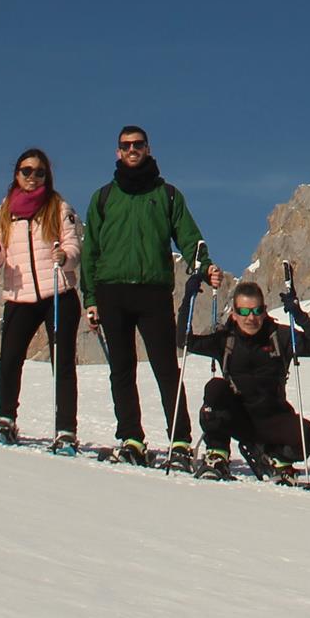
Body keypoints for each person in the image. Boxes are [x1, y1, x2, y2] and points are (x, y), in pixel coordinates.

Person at [80, 125, 210, 464]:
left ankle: (180, 441)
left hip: (153, 291)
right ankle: (131, 438)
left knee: (166, 367)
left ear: (148, 149)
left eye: (138, 144)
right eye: (126, 145)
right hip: (112, 290)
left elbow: (188, 236)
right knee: (121, 369)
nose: (132, 149)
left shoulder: (167, 195)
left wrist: (204, 264)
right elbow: (90, 249)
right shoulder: (104, 197)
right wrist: (90, 298)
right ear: (118, 152)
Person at [185, 271, 310, 480]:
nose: (250, 317)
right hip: (237, 417)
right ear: (234, 314)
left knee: (309, 438)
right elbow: (185, 341)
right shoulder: (225, 339)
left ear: (264, 311)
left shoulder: (279, 337)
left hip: (272, 418)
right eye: (244, 311)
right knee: (215, 389)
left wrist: (299, 315)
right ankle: (217, 454)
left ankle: (273, 457)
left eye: (256, 310)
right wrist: (188, 299)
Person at [0, 148, 79, 445]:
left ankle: (65, 430)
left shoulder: (58, 207)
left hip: (57, 292)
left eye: (39, 172)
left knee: (62, 363)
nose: (32, 177)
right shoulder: (2, 212)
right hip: (19, 295)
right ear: (16, 174)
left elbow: (73, 245)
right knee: (9, 359)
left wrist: (66, 255)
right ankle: (6, 419)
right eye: (26, 171)